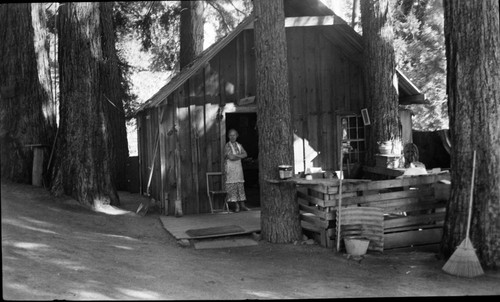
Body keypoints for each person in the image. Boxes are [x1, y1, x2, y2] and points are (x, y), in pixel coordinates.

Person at [224, 129, 250, 212]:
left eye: (234, 135)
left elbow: (245, 154)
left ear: (237, 136)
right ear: (228, 136)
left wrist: (235, 156)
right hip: (230, 169)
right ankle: (236, 206)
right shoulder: (227, 146)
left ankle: (242, 205)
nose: (232, 137)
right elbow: (230, 157)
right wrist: (240, 156)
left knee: (240, 185)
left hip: (238, 169)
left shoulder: (239, 145)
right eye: (231, 135)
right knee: (232, 186)